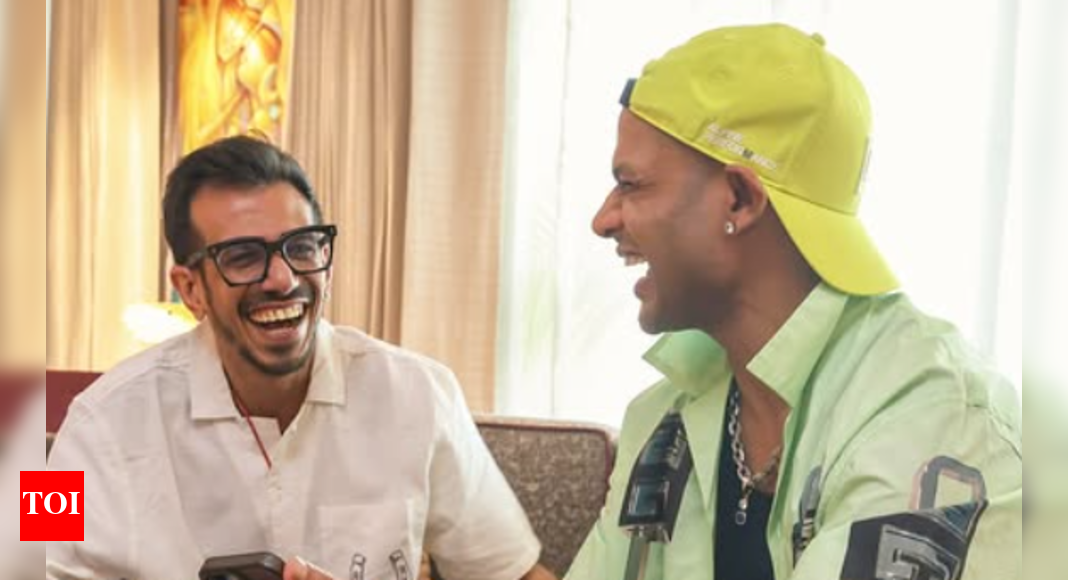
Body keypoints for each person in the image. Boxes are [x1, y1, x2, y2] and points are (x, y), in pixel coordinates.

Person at [565, 23, 1022, 580]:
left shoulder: (935, 419)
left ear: (739, 199)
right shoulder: (663, 418)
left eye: (631, 184)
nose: (603, 220)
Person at [46, 135, 554, 580]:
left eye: (303, 246)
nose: (283, 279)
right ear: (191, 289)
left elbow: (514, 572)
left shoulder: (421, 394)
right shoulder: (94, 421)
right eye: (243, 256)